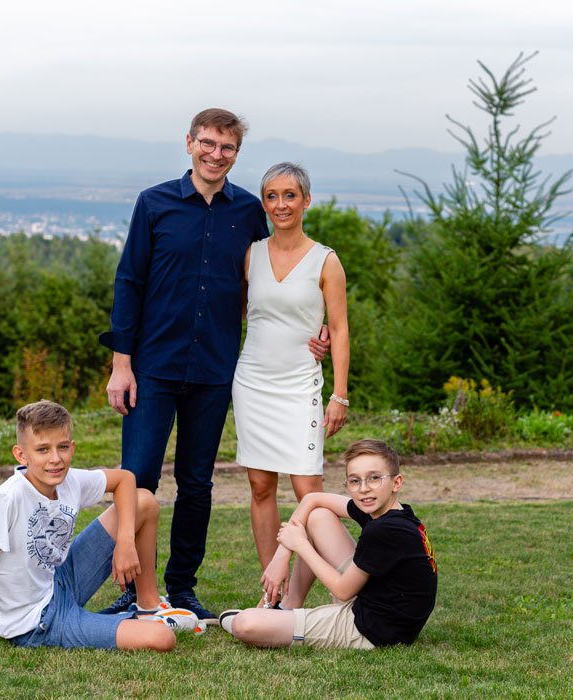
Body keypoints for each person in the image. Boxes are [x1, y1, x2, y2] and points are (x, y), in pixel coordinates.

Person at [98, 110, 329, 619]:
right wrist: (122, 364)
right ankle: (137, 590)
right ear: (189, 144)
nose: (215, 154)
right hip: (152, 367)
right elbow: (128, 283)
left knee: (197, 483)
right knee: (137, 481)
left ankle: (181, 589)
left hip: (215, 369)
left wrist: (319, 325)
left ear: (235, 154)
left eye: (226, 147)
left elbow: (274, 278)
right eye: (207, 143)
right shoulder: (154, 203)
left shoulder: (249, 211)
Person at [0, 400, 198, 658]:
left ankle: (148, 607)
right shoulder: (5, 500)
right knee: (161, 639)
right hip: (38, 620)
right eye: (42, 450)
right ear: (21, 455)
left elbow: (126, 479)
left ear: (72, 446)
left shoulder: (70, 479)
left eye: (62, 447)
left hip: (59, 580)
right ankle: (131, 624)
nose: (55, 459)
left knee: (143, 501)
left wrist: (125, 542)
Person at [232, 162, 349, 572]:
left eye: (289, 195)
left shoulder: (326, 261)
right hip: (252, 384)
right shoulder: (251, 255)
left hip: (301, 385)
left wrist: (339, 395)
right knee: (260, 487)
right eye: (272, 196)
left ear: (306, 200)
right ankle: (273, 593)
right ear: (263, 204)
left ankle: (332, 579)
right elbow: (242, 312)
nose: (281, 205)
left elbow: (339, 328)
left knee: (309, 492)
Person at [217, 439, 438, 649]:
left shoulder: (384, 530)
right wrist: (281, 555)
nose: (364, 489)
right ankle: (288, 606)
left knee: (244, 624)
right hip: (383, 610)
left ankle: (276, 619)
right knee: (318, 516)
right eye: (355, 480)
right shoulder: (393, 513)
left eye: (374, 478)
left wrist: (300, 544)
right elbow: (313, 498)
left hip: (373, 629)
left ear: (396, 482)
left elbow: (342, 590)